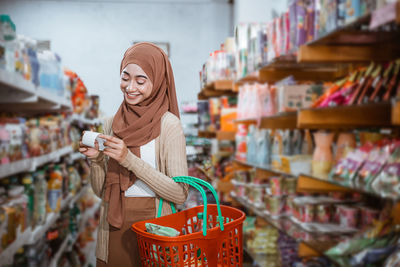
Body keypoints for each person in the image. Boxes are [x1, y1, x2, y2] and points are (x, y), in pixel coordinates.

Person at [79, 42, 189, 266]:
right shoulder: (111, 124)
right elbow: (102, 193)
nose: (130, 87)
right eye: (125, 77)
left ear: (158, 81)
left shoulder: (169, 125)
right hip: (112, 228)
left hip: (156, 226)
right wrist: (97, 160)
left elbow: (180, 194)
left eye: (141, 81)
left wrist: (127, 159)